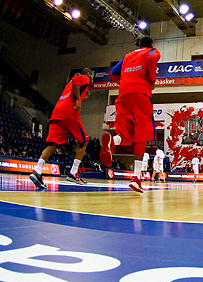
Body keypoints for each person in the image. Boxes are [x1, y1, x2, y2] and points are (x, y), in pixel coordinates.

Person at [99, 37, 161, 193]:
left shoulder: (127, 56)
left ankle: (112, 141)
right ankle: (136, 178)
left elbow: (113, 74)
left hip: (124, 94)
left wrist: (127, 81)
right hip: (141, 94)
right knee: (140, 136)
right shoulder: (150, 51)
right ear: (151, 44)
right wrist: (151, 81)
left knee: (125, 134)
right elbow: (154, 57)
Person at [29, 68, 94, 189]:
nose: (92, 79)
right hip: (69, 113)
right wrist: (79, 99)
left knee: (52, 144)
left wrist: (82, 95)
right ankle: (73, 173)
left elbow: (74, 87)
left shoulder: (73, 86)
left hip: (57, 113)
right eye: (92, 76)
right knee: (84, 141)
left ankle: (37, 171)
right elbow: (75, 78)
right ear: (89, 74)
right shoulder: (84, 77)